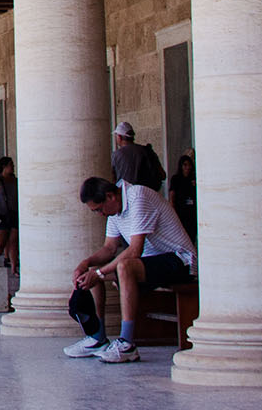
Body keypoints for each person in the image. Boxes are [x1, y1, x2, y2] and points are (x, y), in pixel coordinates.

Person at [64, 176, 197, 364]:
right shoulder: (114, 211)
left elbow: (135, 250)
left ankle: (127, 344)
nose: (100, 214)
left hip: (182, 261)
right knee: (92, 271)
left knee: (124, 267)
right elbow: (109, 248)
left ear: (110, 196)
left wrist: (100, 274)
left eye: (99, 209)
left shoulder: (138, 197)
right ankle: (97, 338)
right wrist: (85, 264)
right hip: (151, 263)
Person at [110, 121, 166, 190]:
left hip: (127, 196)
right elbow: (163, 175)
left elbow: (112, 178)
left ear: (119, 137)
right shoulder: (147, 151)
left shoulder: (115, 155)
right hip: (148, 194)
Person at [0, 156, 19, 271]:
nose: (13, 167)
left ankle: (14, 268)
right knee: (1, 243)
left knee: (14, 242)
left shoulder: (15, 181)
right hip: (2, 214)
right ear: (4, 166)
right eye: (11, 165)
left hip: (14, 213)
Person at [168, 153, 197, 242]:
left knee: (192, 233)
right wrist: (172, 208)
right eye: (185, 165)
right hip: (180, 210)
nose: (187, 167)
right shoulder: (176, 178)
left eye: (189, 165)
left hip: (191, 210)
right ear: (181, 166)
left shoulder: (193, 178)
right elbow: (172, 194)